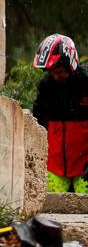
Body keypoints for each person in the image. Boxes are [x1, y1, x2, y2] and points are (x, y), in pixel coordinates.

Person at [32, 34, 88, 194]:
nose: (55, 76)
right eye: (51, 72)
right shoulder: (46, 86)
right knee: (51, 202)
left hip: (84, 162)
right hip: (55, 163)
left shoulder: (85, 83)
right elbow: (38, 122)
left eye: (60, 71)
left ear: (70, 64)